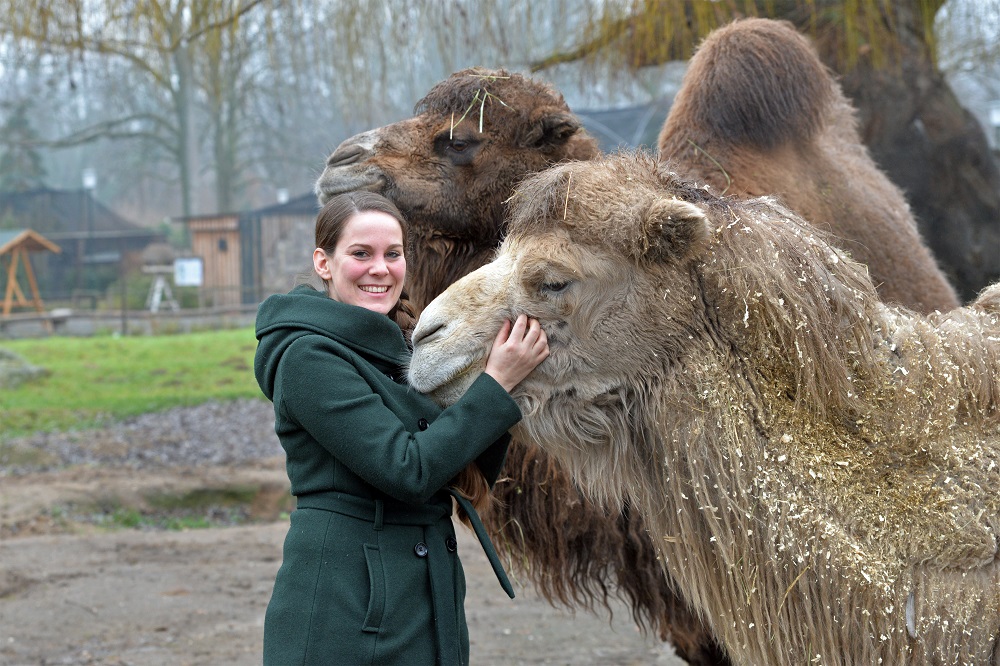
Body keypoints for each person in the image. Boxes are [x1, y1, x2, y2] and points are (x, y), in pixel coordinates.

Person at [254, 191, 549, 665]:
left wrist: (495, 383)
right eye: (360, 254)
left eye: (393, 254)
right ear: (323, 262)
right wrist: (496, 384)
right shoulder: (307, 358)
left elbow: (460, 468)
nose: (380, 268)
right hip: (346, 609)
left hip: (424, 594)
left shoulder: (406, 346)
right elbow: (408, 470)